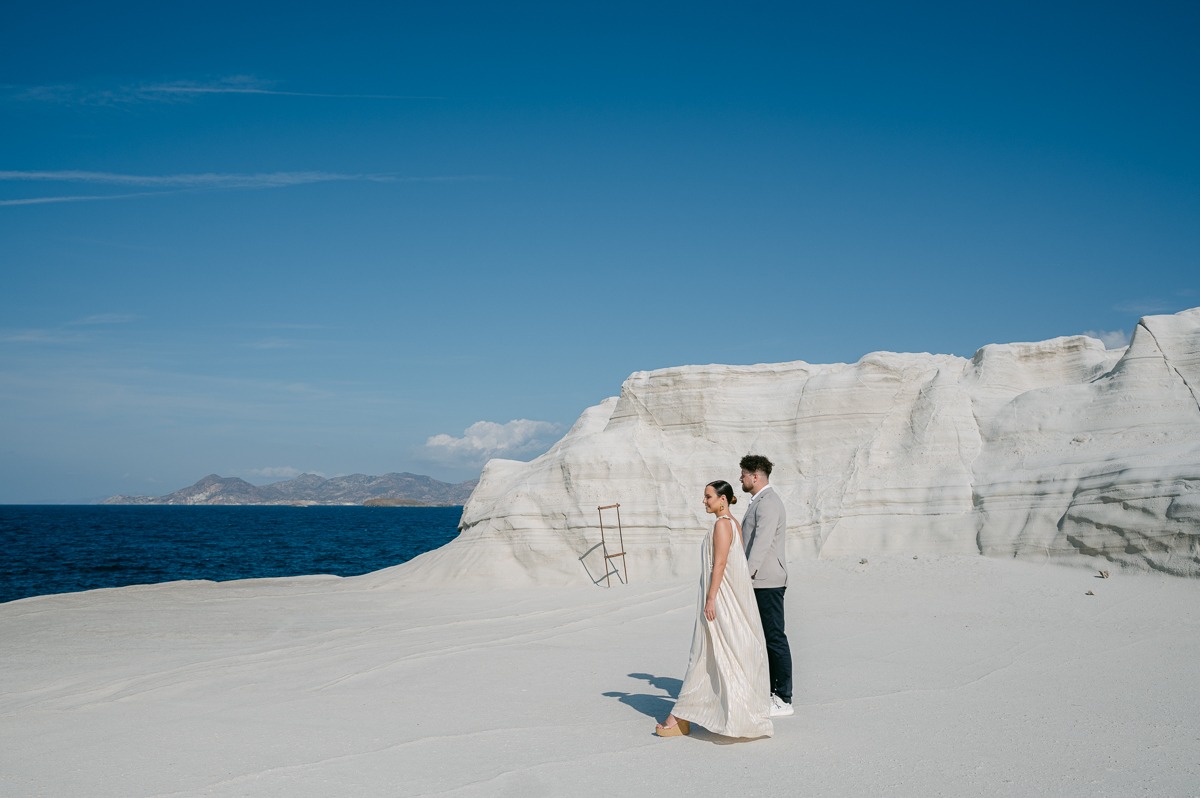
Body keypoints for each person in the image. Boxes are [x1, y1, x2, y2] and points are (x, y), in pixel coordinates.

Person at [655, 480, 773, 739]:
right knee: (721, 653)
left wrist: (710, 598)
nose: (704, 501)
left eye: (708, 496)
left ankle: (682, 717)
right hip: (730, 597)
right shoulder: (734, 524)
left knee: (707, 652)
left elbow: (719, 565)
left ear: (723, 499)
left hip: (721, 599)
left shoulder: (722, 525)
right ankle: (696, 714)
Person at [739, 453, 794, 717]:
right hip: (760, 580)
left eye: (743, 474)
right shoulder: (759, 502)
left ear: (755, 476)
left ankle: (784, 698)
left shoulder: (769, 503)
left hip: (767, 581)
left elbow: (760, 543)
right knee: (765, 639)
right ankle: (771, 693)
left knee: (774, 638)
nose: (740, 478)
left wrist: (745, 575)